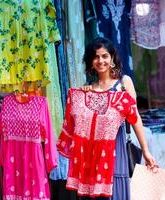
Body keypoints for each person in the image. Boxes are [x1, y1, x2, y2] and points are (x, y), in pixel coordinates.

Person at [57, 37, 156, 200]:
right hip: (92, 154)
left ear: (112, 58)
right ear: (91, 62)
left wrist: (145, 150)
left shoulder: (124, 83)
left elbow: (135, 116)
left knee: (114, 191)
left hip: (115, 149)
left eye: (104, 56)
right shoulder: (88, 89)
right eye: (96, 57)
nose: (100, 61)